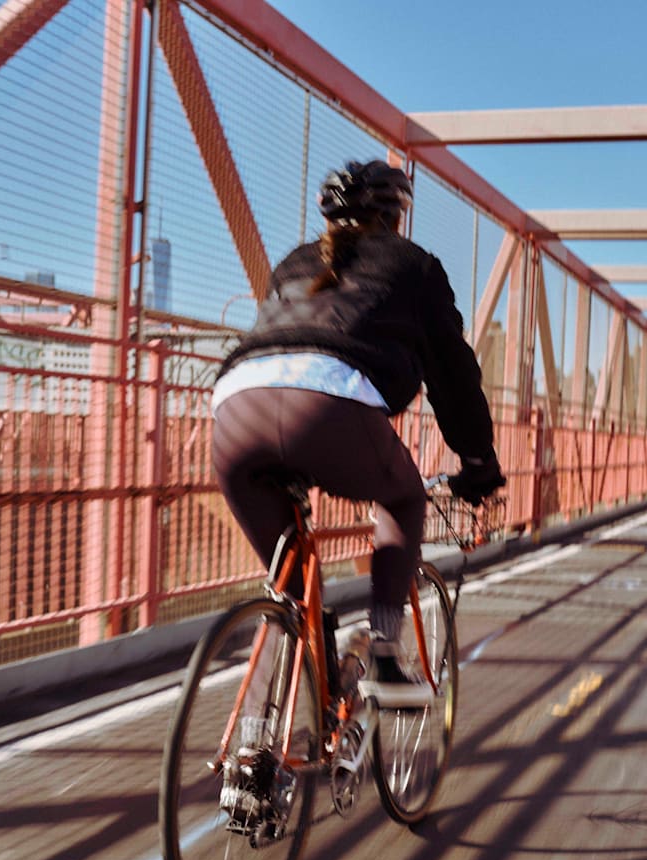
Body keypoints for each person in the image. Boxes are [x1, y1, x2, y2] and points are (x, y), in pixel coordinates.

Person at [211, 159, 505, 703]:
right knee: (404, 495)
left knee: (293, 595)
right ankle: (386, 658)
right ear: (396, 217)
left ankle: (255, 749)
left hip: (233, 410)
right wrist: (479, 462)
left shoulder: (292, 263)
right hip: (327, 406)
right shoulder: (415, 266)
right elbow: (454, 375)